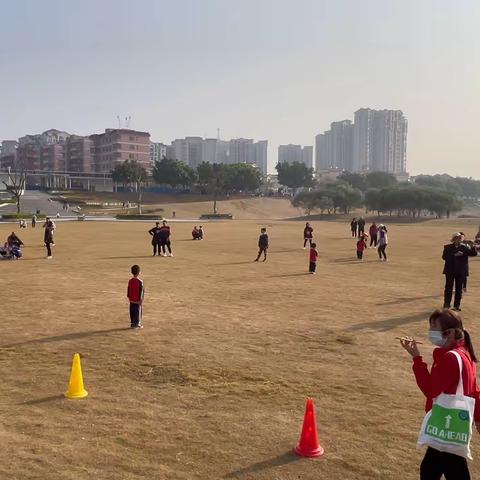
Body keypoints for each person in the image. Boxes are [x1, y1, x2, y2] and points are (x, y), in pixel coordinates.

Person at [400, 309, 480, 480]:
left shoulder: (451, 358)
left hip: (446, 423)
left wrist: (417, 359)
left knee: (447, 470)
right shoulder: (464, 353)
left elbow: (430, 390)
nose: (430, 332)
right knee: (431, 468)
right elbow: (475, 389)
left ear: (449, 332)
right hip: (453, 423)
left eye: (434, 327)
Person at [442, 233, 477, 311]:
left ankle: (456, 306)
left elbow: (474, 254)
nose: (459, 239)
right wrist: (454, 255)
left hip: (461, 272)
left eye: (460, 238)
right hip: (450, 271)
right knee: (448, 288)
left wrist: (472, 246)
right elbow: (444, 257)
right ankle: (446, 305)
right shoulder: (447, 247)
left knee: (459, 289)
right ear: (454, 239)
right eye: (457, 238)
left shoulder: (465, 247)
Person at [127, 264, 144, 329]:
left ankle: (132, 323)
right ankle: (137, 323)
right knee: (137, 311)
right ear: (139, 272)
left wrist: (129, 297)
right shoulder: (140, 282)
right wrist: (141, 300)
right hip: (137, 300)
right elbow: (141, 292)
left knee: (132, 311)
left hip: (131, 300)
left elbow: (128, 289)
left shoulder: (130, 281)